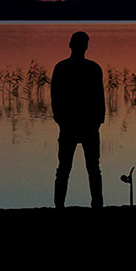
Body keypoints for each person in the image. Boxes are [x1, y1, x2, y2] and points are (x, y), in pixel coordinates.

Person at [50, 30, 105, 208]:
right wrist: (61, 120)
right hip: (72, 126)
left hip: (84, 126)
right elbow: (56, 98)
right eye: (82, 44)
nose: (83, 47)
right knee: (73, 169)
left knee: (84, 169)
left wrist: (98, 121)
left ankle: (93, 204)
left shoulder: (91, 68)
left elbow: (99, 98)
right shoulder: (64, 68)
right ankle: (63, 205)